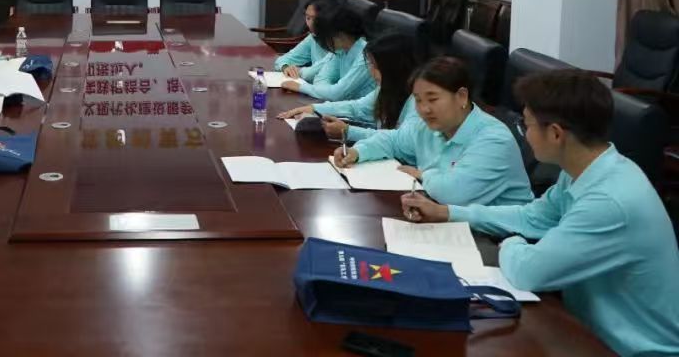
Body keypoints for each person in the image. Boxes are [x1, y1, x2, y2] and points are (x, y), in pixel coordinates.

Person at [402, 70, 679, 357]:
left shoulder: (608, 201)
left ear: (556, 133)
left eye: (527, 125)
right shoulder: (587, 169)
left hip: (629, 350)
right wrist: (448, 213)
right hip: (584, 328)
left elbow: (528, 272)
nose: (525, 133)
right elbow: (533, 217)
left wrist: (510, 242)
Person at [333, 56, 532, 207]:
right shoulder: (429, 125)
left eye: (433, 99)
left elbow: (454, 194)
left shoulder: (493, 139)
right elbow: (392, 140)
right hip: (447, 219)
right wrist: (358, 152)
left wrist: (423, 175)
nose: (424, 109)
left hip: (499, 238)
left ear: (462, 96)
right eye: (418, 100)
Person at [277, 32, 418, 142]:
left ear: (395, 69)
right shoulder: (386, 90)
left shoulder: (417, 100)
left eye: (376, 67)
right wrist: (314, 108)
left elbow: (400, 140)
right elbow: (356, 107)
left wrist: (349, 132)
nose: (371, 72)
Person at [281, 5, 375, 101]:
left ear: (339, 35)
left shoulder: (366, 56)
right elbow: (321, 79)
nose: (323, 41)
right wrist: (326, 92)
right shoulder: (340, 50)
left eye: (325, 35)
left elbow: (337, 93)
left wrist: (302, 87)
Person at [272, 0, 342, 80]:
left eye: (315, 19)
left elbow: (312, 73)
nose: (310, 24)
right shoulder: (313, 38)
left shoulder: (342, 42)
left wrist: (299, 71)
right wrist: (286, 67)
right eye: (308, 18)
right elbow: (281, 61)